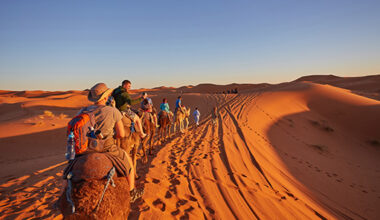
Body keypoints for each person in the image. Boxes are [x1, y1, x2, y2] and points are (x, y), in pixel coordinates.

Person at [83, 83, 143, 202]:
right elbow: (121, 134)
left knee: (70, 169)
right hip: (106, 147)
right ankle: (132, 192)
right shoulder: (112, 111)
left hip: (85, 148)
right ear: (105, 97)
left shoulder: (83, 110)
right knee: (128, 162)